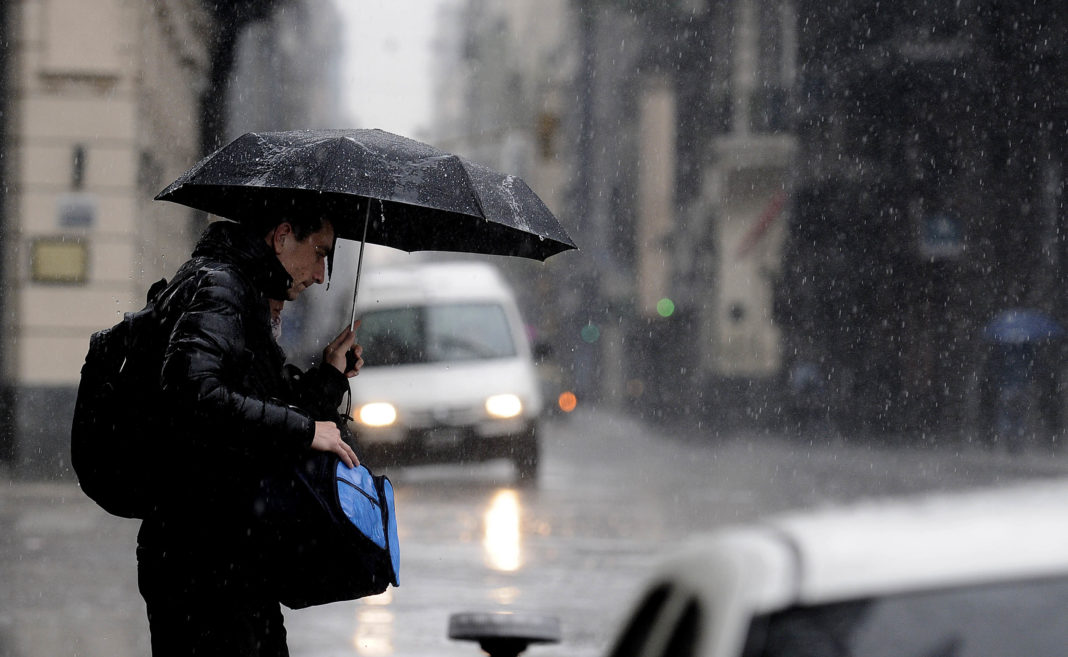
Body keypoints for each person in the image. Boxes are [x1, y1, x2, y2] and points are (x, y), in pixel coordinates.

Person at [136, 216, 364, 656]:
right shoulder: (223, 288)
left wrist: (330, 377)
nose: (320, 274)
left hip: (226, 553)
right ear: (282, 237)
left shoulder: (245, 295)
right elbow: (194, 393)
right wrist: (304, 430)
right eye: (319, 252)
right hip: (202, 560)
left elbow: (258, 409)